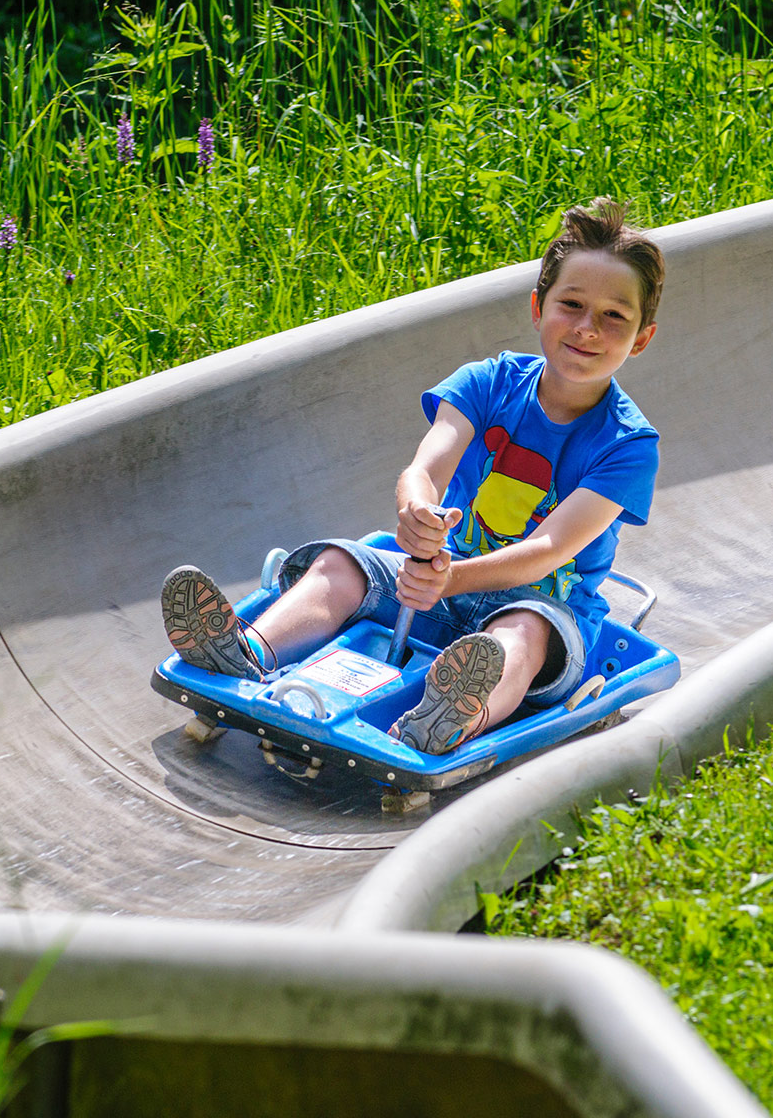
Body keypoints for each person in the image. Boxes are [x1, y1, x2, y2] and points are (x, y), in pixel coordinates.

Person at [161, 197, 664, 755]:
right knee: (343, 563)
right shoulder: (489, 381)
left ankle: (453, 717)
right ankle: (245, 653)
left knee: (520, 635)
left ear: (641, 337)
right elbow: (427, 466)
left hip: (542, 604)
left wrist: (453, 580)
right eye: (571, 304)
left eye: (614, 316)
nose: (588, 329)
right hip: (436, 577)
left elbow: (549, 548)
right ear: (538, 307)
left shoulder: (628, 445)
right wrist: (417, 512)